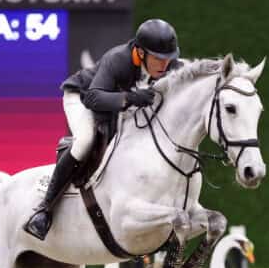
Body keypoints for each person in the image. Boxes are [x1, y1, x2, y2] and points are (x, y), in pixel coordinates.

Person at [23, 18, 181, 240]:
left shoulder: (167, 65)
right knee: (85, 139)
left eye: (168, 59)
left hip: (112, 107)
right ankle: (44, 210)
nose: (164, 65)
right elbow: (93, 98)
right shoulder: (118, 59)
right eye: (158, 59)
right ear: (141, 53)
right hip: (81, 97)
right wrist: (131, 97)